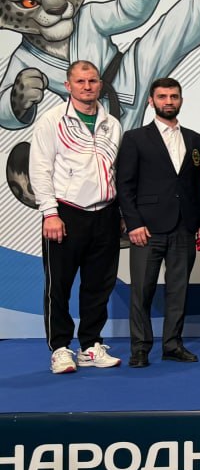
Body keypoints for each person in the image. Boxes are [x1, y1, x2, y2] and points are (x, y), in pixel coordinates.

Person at [31, 60, 124, 374]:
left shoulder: (112, 124)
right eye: (81, 81)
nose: (87, 86)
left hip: (106, 214)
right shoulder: (52, 121)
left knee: (99, 285)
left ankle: (90, 346)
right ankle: (60, 348)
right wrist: (50, 213)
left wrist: (120, 212)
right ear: (68, 85)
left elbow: (115, 171)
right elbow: (40, 169)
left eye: (93, 81)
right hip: (66, 213)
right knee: (59, 286)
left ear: (100, 85)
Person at [116, 77, 200, 367]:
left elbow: (198, 185)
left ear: (181, 100)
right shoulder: (135, 138)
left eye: (173, 96)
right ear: (151, 101)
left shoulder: (195, 139)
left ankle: (172, 345)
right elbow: (124, 185)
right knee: (142, 291)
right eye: (162, 96)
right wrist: (133, 223)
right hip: (147, 228)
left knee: (178, 290)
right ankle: (140, 349)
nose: (168, 101)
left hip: (185, 226)